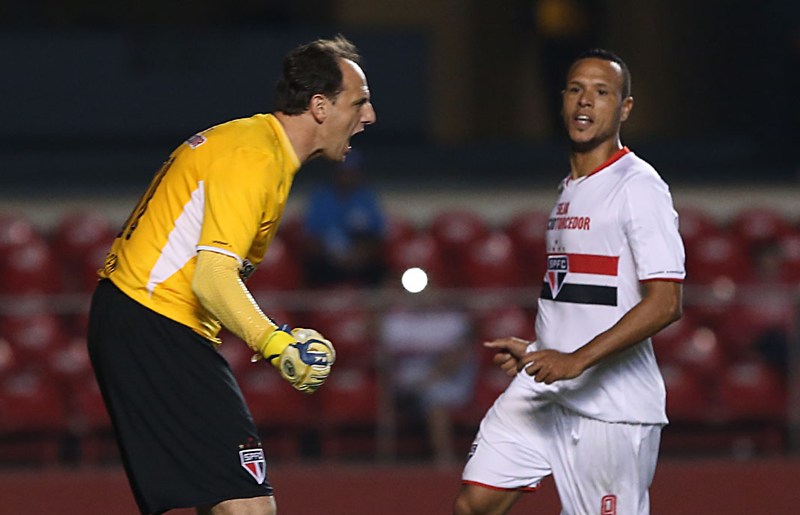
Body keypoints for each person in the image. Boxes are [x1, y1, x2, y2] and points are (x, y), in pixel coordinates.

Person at [87, 35, 376, 515]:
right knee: (248, 507)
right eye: (359, 102)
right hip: (154, 320)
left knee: (220, 500)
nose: (369, 117)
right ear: (320, 106)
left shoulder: (254, 144)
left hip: (142, 318)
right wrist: (276, 343)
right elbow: (212, 278)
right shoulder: (255, 158)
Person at [453, 49, 684, 515]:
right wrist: (542, 347)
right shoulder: (570, 189)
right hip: (545, 382)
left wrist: (576, 359)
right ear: (561, 101)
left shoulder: (638, 186)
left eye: (602, 93)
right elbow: (582, 294)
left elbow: (666, 302)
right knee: (475, 503)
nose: (586, 102)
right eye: (576, 90)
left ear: (625, 108)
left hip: (612, 407)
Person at [302, 148, 388, 288]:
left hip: (361, 261)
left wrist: (358, 257)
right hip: (328, 260)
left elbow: (377, 236)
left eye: (352, 172)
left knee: (380, 269)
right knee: (312, 269)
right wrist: (335, 258)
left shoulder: (366, 197)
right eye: (343, 172)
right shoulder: (321, 197)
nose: (347, 176)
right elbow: (311, 238)